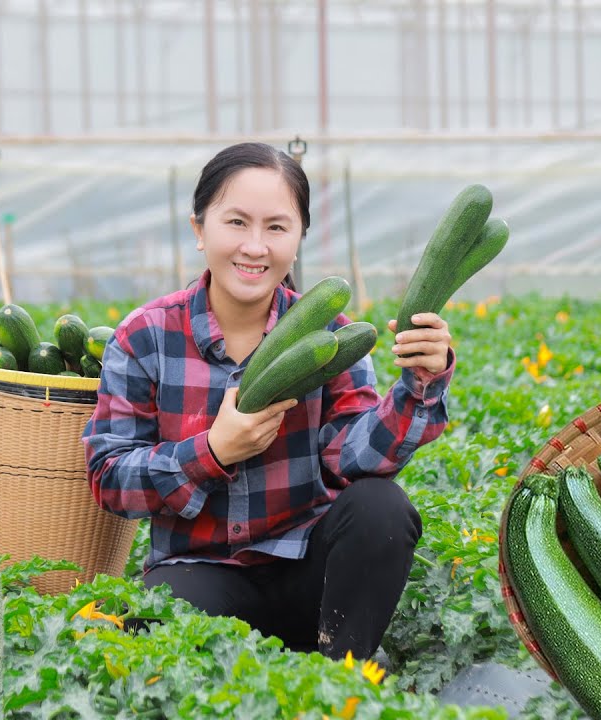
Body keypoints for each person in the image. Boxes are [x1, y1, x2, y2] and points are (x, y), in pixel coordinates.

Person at [81, 141, 455, 662]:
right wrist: (212, 451)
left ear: (299, 238)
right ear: (199, 229)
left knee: (381, 508)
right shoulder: (145, 336)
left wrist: (421, 381)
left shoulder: (330, 336)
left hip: (311, 574)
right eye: (236, 222)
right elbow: (109, 477)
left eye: (276, 227)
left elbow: (356, 459)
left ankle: (342, 679)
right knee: (160, 621)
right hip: (200, 575)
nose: (255, 247)